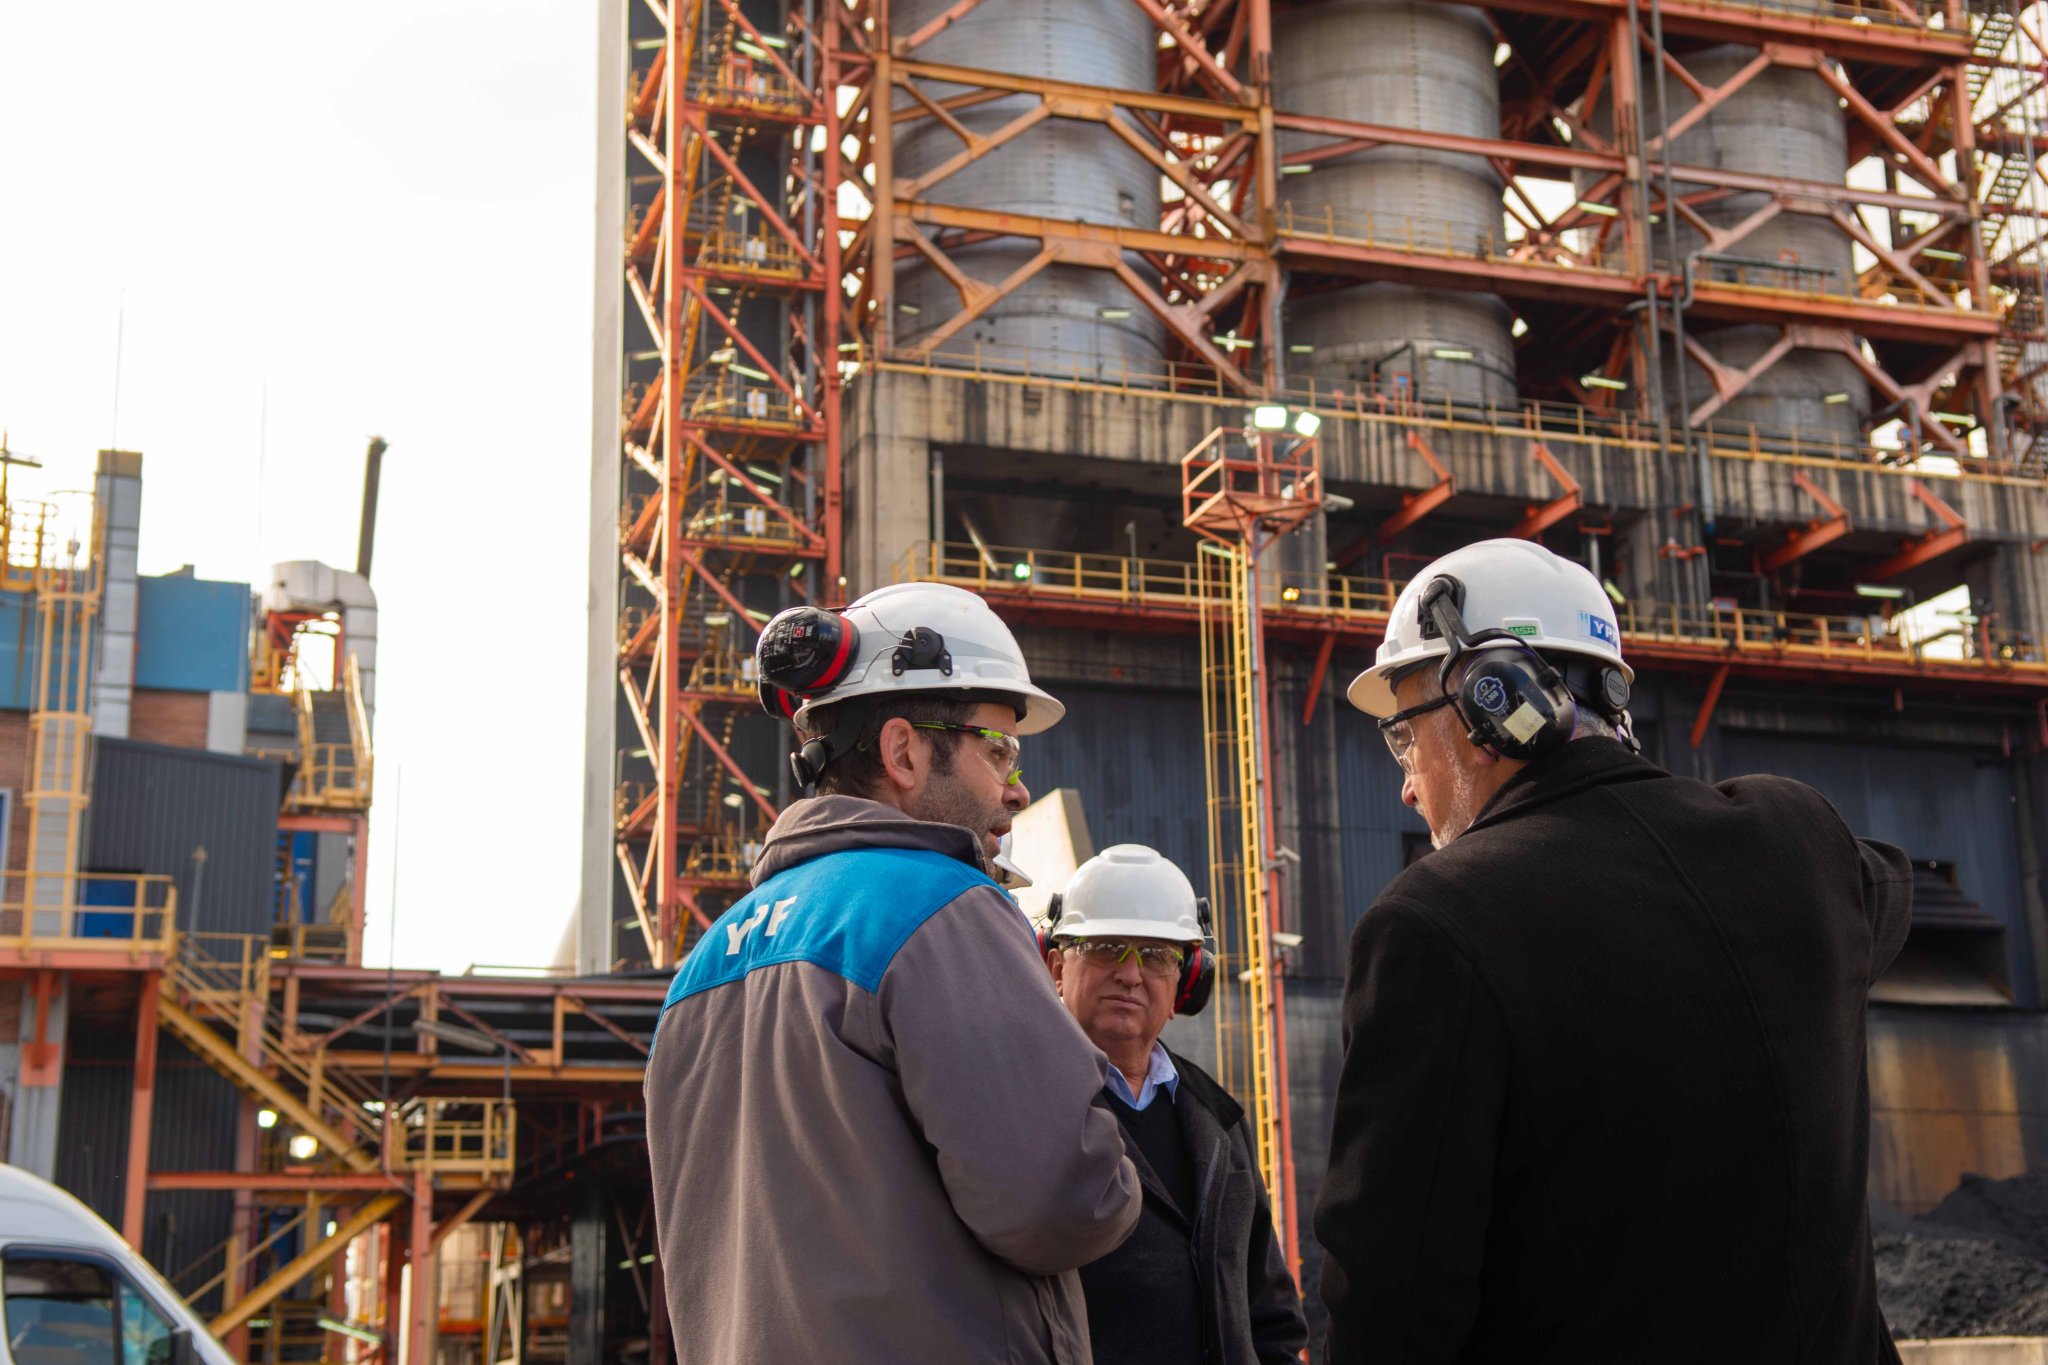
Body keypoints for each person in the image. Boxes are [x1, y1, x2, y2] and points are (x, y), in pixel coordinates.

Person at [1317, 538, 1914, 1364]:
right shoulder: (1797, 839)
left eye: (1405, 734)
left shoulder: (1433, 925)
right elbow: (1883, 886)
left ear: (1492, 702)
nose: (1408, 782)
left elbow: (1393, 1309)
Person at [645, 582, 1141, 1365]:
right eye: (998, 750)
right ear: (904, 750)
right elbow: (1063, 1200)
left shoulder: (701, 970)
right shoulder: (945, 909)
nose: (1016, 787)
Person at [1042, 844, 1307, 1365]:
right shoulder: (1022, 1105)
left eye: (1156, 955)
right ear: (1055, 967)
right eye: (1107, 947)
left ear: (1186, 982)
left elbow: (1270, 1313)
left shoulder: (1219, 1119)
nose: (1130, 973)